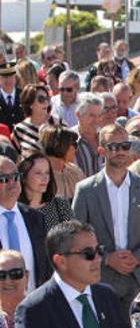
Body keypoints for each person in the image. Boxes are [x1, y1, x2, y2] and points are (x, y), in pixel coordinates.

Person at [72, 124, 140, 310]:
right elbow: (77, 236)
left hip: (139, 277)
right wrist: (107, 258)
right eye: (114, 147)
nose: (121, 152)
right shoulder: (86, 190)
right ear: (102, 150)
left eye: (125, 146)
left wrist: (137, 256)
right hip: (101, 277)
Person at [0, 155, 51, 290]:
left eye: (15, 177)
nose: (12, 183)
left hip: (33, 304)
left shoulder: (35, 218)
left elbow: (46, 266)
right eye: (4, 179)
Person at [18, 151, 73, 234]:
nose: (44, 178)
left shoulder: (60, 204)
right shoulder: (14, 209)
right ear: (24, 176)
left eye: (47, 173)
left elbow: (73, 238)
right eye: (38, 173)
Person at [39, 124, 85, 200]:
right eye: (73, 144)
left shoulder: (76, 171)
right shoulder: (41, 175)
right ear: (60, 145)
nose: (75, 148)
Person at [13, 83, 54, 153]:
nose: (46, 102)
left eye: (47, 98)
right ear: (30, 103)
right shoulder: (19, 129)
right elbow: (19, 157)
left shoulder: (58, 123)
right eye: (41, 99)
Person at [0, 62, 23, 133]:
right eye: (5, 77)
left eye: (11, 76)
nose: (8, 80)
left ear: (15, 77)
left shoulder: (23, 94)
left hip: (23, 137)